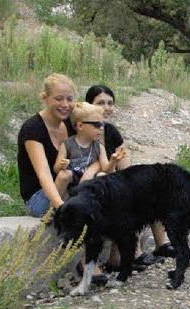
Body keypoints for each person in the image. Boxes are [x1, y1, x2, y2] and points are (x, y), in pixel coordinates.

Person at [85, 85, 177, 264]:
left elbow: (126, 165)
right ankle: (135, 253)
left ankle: (162, 244)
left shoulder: (111, 131)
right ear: (89, 105)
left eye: (110, 103)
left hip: (114, 180)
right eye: (100, 103)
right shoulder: (84, 130)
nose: (106, 107)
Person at [17, 73, 76, 217]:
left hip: (67, 190)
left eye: (70, 99)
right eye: (58, 99)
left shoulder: (69, 123)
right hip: (39, 198)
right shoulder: (33, 128)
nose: (65, 105)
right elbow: (44, 175)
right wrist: (61, 207)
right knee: (65, 175)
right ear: (45, 98)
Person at [53, 102, 126, 198]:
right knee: (64, 175)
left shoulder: (99, 147)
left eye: (103, 124)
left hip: (90, 183)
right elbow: (55, 169)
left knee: (101, 175)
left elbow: (106, 169)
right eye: (97, 124)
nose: (101, 128)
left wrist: (113, 161)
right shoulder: (67, 144)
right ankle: (53, 207)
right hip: (72, 181)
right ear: (80, 126)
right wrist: (62, 165)